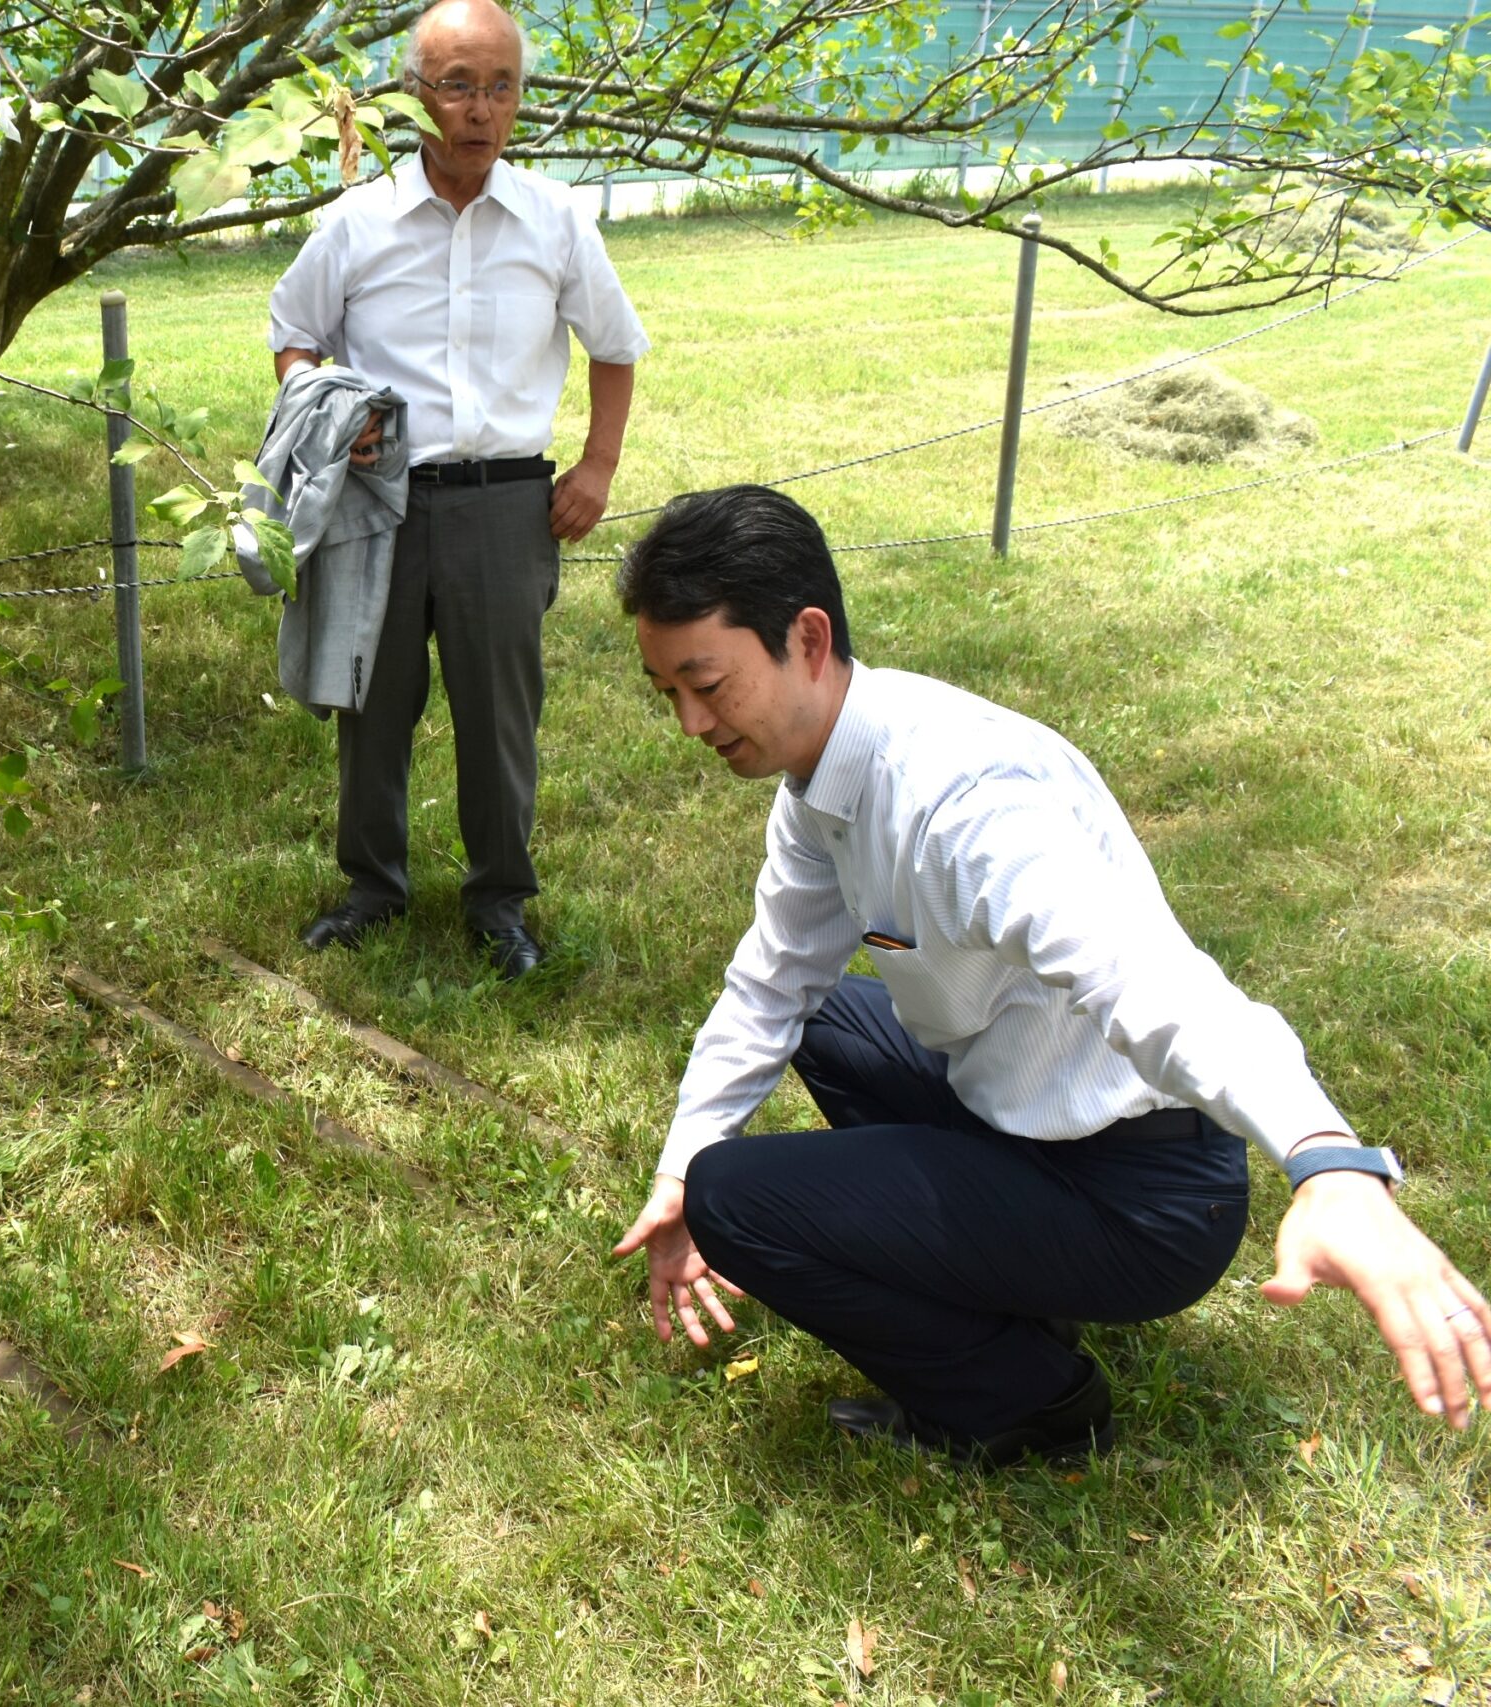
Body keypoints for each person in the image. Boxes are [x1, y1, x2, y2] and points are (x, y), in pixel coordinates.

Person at [605, 484, 1491, 1462]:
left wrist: (1328, 1161)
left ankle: (1026, 1403)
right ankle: (996, 1284)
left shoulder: (966, 805)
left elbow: (1153, 985)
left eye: (706, 682)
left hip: (1139, 1201)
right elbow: (770, 985)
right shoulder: (821, 779)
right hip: (1019, 1110)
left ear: (806, 641)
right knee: (816, 1029)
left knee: (741, 1198)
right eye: (668, 694)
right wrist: (677, 1168)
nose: (689, 722)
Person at [266, 0, 647, 980]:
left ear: (518, 96)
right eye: (455, 85)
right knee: (372, 701)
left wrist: (596, 466)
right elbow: (294, 331)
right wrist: (321, 420)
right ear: (413, 97)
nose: (479, 109)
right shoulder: (357, 223)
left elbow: (614, 349)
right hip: (377, 502)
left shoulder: (555, 220)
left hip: (506, 505)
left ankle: (499, 902)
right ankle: (371, 889)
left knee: (498, 708)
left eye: (499, 86)